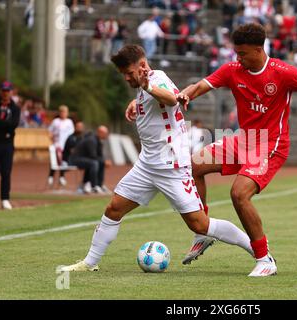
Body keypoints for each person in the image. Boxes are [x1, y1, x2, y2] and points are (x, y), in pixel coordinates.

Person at [171, 23, 297, 277]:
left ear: (258, 49)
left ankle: (265, 258)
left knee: (239, 194)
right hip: (243, 139)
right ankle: (203, 231)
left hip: (270, 144)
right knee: (194, 165)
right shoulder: (233, 70)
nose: (237, 58)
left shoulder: (282, 72)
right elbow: (200, 86)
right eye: (236, 53)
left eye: (242, 53)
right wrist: (185, 95)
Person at [59, 45, 254, 272]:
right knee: (114, 208)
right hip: (147, 165)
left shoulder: (155, 78)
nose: (125, 78)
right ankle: (89, 263)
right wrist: (137, 102)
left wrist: (146, 87)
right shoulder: (144, 86)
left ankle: (257, 249)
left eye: (129, 73)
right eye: (123, 74)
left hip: (171, 167)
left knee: (201, 225)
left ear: (142, 66)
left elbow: (171, 99)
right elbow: (155, 102)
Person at [0, 82, 20, 210]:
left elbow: (13, 125)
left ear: (11, 92)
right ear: (0, 91)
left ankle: (5, 198)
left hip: (7, 143)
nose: (6, 93)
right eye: (3, 90)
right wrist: (4, 124)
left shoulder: (15, 108)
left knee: (6, 172)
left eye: (8, 91)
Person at [69, 126, 111, 194]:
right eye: (105, 133)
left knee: (100, 162)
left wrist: (104, 161)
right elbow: (93, 156)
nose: (107, 135)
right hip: (75, 160)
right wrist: (104, 161)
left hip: (86, 159)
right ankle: (93, 186)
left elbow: (99, 156)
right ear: (100, 132)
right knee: (94, 163)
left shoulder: (98, 141)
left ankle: (99, 185)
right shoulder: (92, 140)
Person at [47, 105, 75, 187]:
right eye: (62, 112)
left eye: (65, 112)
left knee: (63, 161)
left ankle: (62, 177)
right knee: (55, 161)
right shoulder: (56, 121)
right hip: (57, 145)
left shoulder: (69, 122)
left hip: (65, 146)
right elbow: (50, 132)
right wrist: (52, 139)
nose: (63, 113)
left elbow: (72, 134)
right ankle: (51, 176)